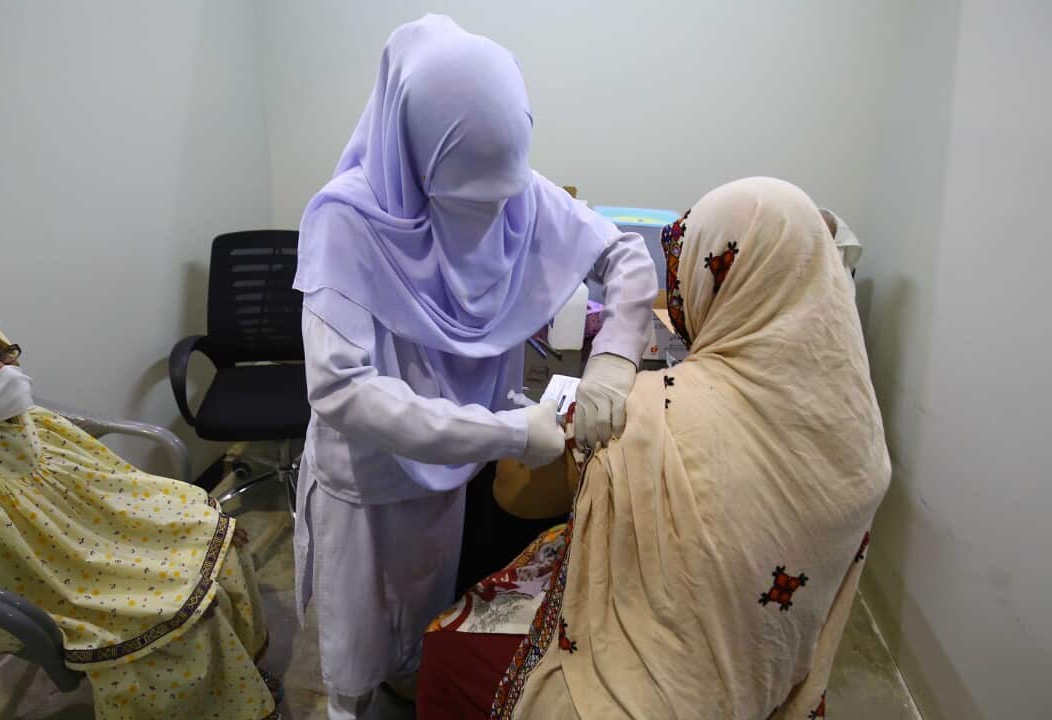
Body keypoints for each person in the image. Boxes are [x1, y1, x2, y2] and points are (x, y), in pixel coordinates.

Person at [292, 15, 657, 719]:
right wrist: (507, 434)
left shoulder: (514, 187)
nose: (487, 223)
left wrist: (613, 358)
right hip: (369, 481)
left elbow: (626, 259)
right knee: (356, 651)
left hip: (458, 469)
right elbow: (342, 391)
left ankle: (409, 679)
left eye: (497, 201)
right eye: (462, 202)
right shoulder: (348, 221)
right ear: (416, 156)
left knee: (430, 615)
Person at [417, 177, 891, 719]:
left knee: (447, 647)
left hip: (657, 688)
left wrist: (532, 425)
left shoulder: (651, 415)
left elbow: (514, 492)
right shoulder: (862, 433)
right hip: (768, 665)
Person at [0, 313, 279, 720]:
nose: (4, 371)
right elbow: (13, 568)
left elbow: (109, 482)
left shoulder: (27, 420)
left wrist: (189, 516)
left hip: (93, 537)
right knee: (182, 619)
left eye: (2, 353)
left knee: (220, 540)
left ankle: (236, 686)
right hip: (59, 576)